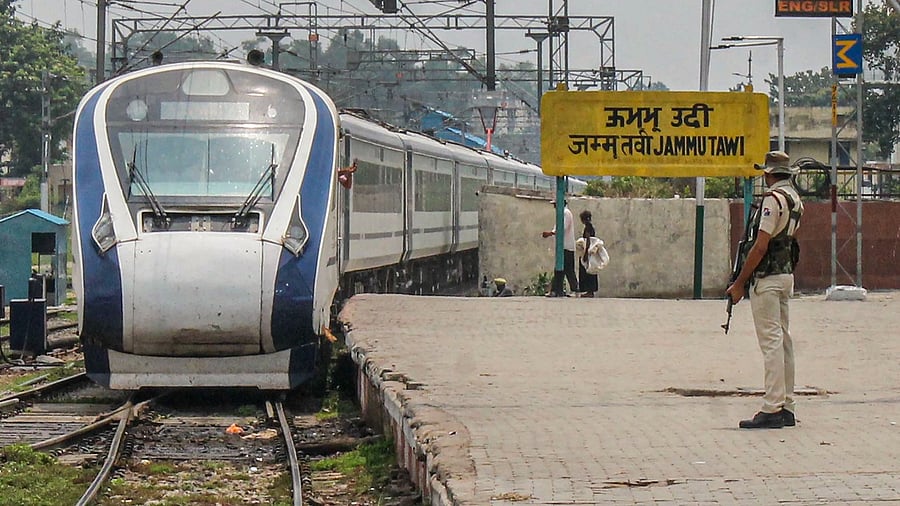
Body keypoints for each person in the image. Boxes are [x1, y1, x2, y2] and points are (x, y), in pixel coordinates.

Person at [726, 150, 804, 429]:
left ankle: (772, 408)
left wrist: (739, 283)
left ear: (768, 174)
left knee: (771, 343)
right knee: (784, 342)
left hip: (768, 279)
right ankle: (787, 405)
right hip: (785, 275)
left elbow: (760, 245)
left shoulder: (773, 199)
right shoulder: (794, 199)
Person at [542, 200, 578, 297]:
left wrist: (550, 233)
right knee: (559, 269)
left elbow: (562, 227)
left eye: (555, 205)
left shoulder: (566, 213)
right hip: (562, 246)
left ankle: (575, 290)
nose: (554, 207)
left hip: (566, 246)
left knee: (568, 269)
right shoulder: (562, 213)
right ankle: (556, 290)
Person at [577, 210, 599, 298]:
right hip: (591, 251)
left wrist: (585, 253)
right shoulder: (590, 227)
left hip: (588, 251)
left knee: (587, 271)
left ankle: (589, 291)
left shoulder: (588, 228)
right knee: (591, 270)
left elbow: (588, 240)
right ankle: (590, 291)